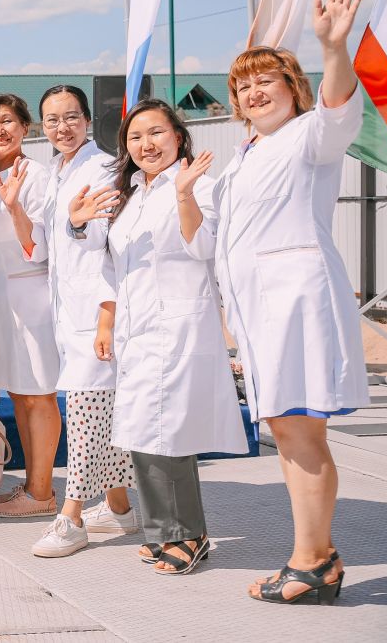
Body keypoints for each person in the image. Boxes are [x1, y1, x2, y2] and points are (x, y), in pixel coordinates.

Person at [215, 0, 366, 605]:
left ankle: (313, 560)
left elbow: (338, 109)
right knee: (284, 426)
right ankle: (313, 556)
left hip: (296, 299)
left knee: (301, 429)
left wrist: (335, 47)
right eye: (244, 86)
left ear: (293, 89)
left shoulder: (309, 136)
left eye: (266, 81)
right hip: (260, 308)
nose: (254, 92)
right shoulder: (247, 153)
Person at [76, 99, 246, 578]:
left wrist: (186, 196)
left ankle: (185, 535)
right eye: (135, 137)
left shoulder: (199, 184)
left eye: (156, 133)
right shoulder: (129, 193)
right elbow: (108, 262)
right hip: (135, 330)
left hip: (179, 326)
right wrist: (106, 322)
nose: (145, 144)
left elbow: (204, 246)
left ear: (178, 136)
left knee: (169, 434)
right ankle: (164, 533)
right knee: (146, 433)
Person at [31, 84, 135, 558]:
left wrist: (106, 321)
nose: (62, 128)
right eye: (52, 120)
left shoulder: (103, 169)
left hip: (97, 311)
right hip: (69, 309)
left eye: (71, 117)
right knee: (102, 409)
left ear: (88, 120)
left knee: (86, 411)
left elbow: (105, 243)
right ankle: (119, 508)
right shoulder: (59, 169)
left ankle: (71, 516)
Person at [0, 94, 61, 520]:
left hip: (32, 294)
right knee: (20, 395)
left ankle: (42, 492)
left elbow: (39, 246)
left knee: (40, 395)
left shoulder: (38, 176)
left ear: (26, 127)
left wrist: (13, 207)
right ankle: (31, 485)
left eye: (8, 121)